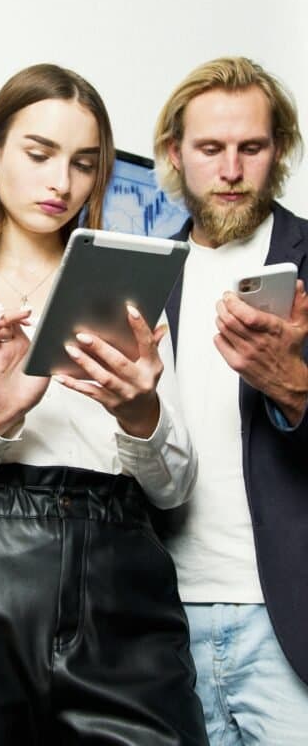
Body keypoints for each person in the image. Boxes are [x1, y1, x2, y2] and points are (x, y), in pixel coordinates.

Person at [0, 63, 209, 745]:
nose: (62, 183)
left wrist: (140, 413)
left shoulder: (122, 289)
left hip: (124, 583)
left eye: (85, 163)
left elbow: (173, 490)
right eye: (40, 154)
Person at [152, 56, 308, 745]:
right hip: (161, 620)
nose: (232, 169)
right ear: (174, 154)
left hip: (290, 622)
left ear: (279, 151)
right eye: (210, 148)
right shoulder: (140, 273)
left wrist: (293, 386)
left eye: (252, 147)